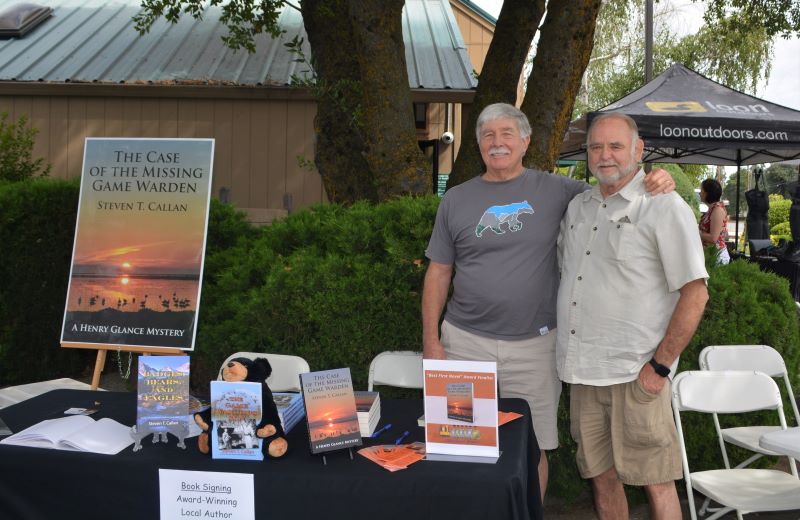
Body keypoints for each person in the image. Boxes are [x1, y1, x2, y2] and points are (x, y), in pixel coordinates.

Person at [422, 103, 675, 500]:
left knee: (532, 446)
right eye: (488, 135)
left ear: (525, 142)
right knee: (461, 441)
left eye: (507, 134)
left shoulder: (559, 190)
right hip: (464, 344)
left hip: (536, 347)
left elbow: (613, 185)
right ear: (478, 145)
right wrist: (432, 342)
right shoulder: (455, 200)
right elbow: (438, 272)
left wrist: (654, 178)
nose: (497, 142)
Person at [556, 112, 708, 519]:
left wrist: (660, 366)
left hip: (636, 374)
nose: (604, 155)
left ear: (639, 150)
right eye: (595, 147)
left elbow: (695, 294)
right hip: (583, 373)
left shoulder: (663, 206)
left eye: (615, 146)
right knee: (602, 481)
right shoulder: (577, 208)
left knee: (658, 483)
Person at [698, 178, 730, 264]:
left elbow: (713, 238)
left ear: (707, 193)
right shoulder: (712, 209)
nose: (700, 193)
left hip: (717, 257)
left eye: (702, 190)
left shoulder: (717, 210)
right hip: (711, 255)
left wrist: (696, 233)